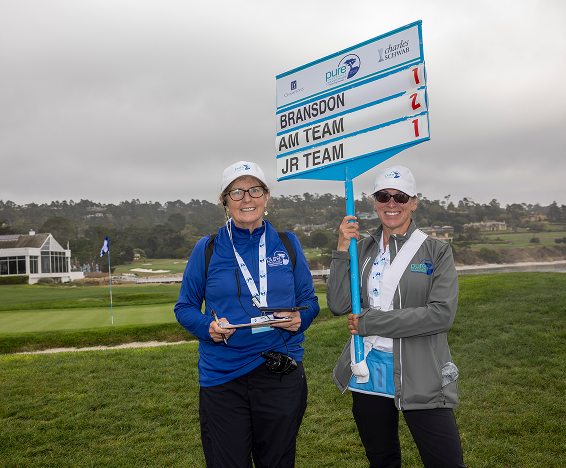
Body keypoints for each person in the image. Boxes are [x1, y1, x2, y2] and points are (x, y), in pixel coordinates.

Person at [175, 161, 319, 468]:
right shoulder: (207, 248)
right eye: (236, 192)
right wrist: (208, 327)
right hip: (223, 377)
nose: (246, 198)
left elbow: (309, 301)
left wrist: (300, 319)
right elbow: (185, 307)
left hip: (281, 372)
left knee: (277, 462)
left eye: (254, 190)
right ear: (225, 201)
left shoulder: (288, 243)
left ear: (267, 197)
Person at [327, 165, 466, 468]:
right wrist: (341, 249)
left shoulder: (436, 251)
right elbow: (338, 305)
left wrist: (371, 322)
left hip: (422, 371)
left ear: (414, 202)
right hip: (368, 370)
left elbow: (441, 315)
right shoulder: (360, 247)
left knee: (446, 462)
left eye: (400, 197)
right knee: (382, 459)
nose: (392, 204)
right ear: (374, 201)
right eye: (383, 196)